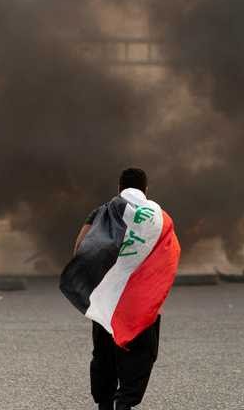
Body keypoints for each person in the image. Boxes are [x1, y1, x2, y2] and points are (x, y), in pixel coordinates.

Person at [63, 168, 180, 410]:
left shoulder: (103, 211)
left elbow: (81, 247)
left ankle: (105, 404)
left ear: (119, 188)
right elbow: (169, 255)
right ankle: (124, 402)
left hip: (107, 299)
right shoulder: (159, 219)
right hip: (139, 301)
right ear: (146, 189)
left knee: (104, 353)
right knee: (141, 353)